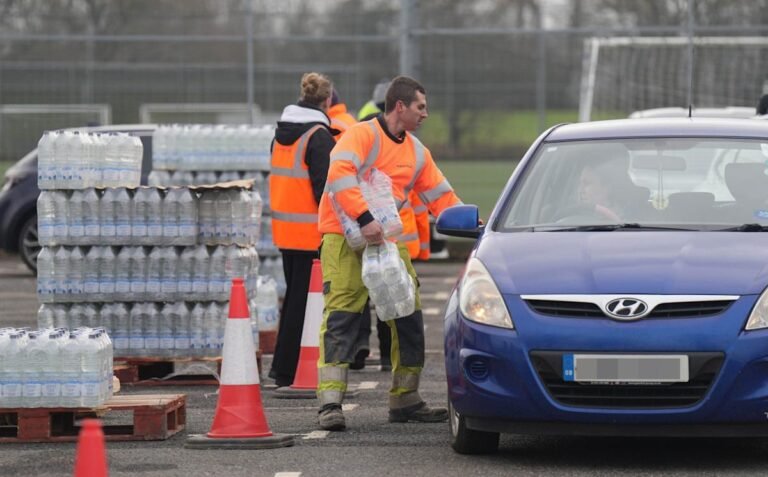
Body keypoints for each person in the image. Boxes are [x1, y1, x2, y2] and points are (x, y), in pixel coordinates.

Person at [316, 76, 462, 431]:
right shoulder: (361, 135)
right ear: (400, 106)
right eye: (420, 107)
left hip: (386, 242)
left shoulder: (416, 152)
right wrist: (364, 218)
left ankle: (406, 399)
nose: (425, 115)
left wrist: (476, 223)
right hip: (343, 237)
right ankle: (330, 404)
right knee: (343, 317)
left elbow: (442, 198)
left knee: (407, 314)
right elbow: (339, 173)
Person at [268, 72, 337, 388]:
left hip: (286, 233)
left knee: (294, 303)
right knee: (308, 306)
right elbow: (324, 188)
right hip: (312, 234)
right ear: (327, 101)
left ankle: (284, 369)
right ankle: (290, 372)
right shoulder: (319, 137)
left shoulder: (281, 133)